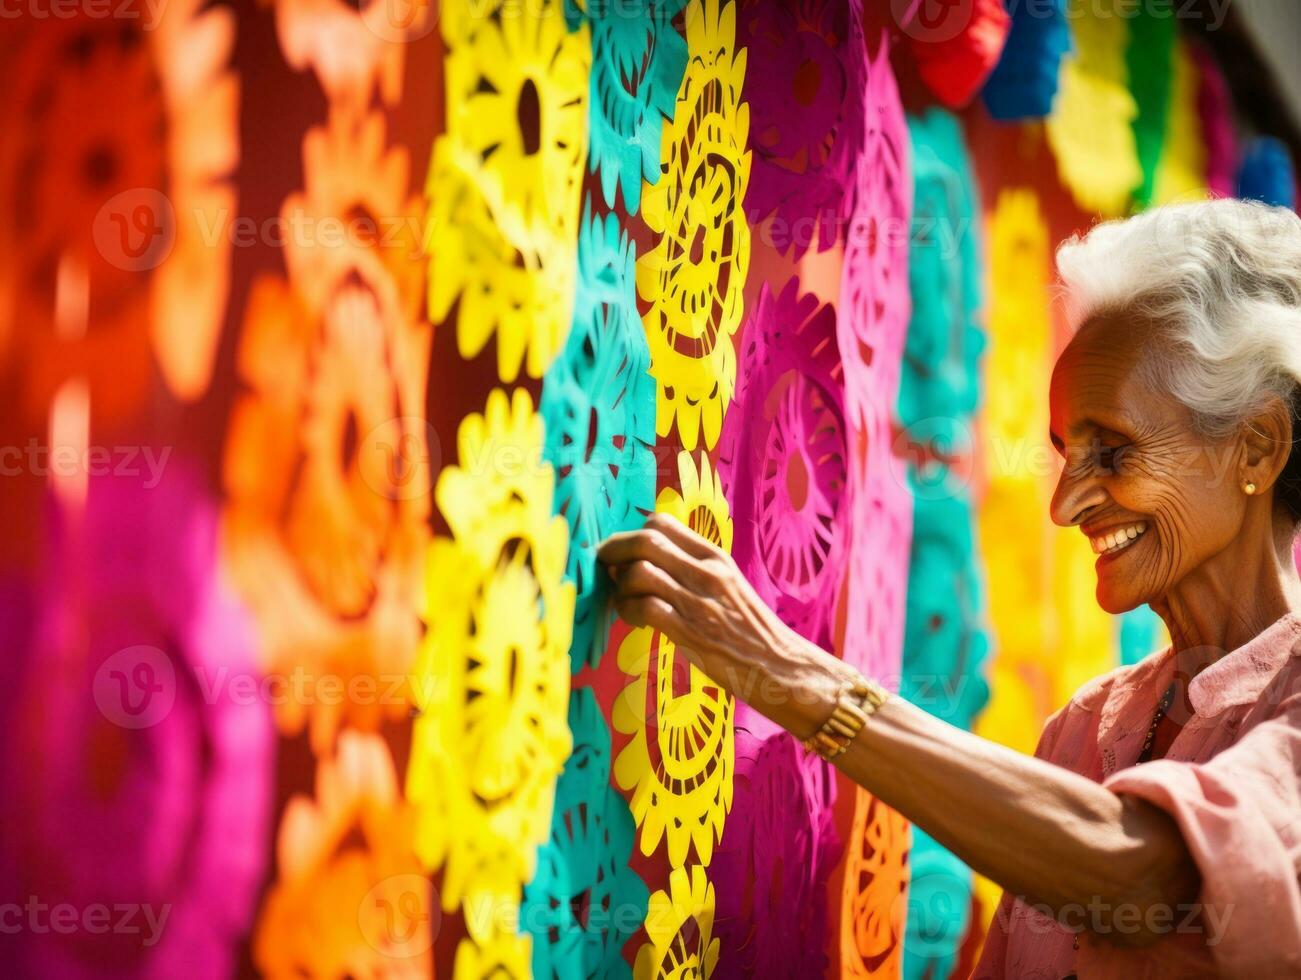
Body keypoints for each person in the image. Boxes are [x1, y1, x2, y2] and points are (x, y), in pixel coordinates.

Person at [597, 199, 1301, 977]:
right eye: (1064, 453)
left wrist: (788, 674)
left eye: (1113, 453)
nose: (1061, 505)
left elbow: (1138, 871)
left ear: (1256, 448)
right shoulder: (1088, 728)